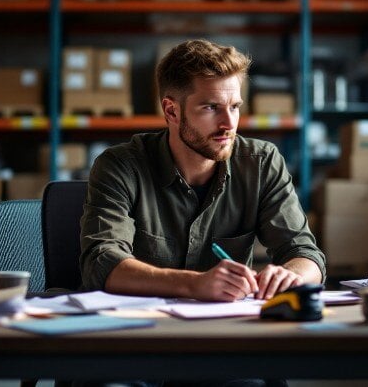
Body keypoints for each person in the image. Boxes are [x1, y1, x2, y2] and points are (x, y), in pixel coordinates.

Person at [80, 39, 326, 303]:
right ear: (171, 111)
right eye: (211, 108)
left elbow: (305, 254)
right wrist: (193, 284)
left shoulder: (262, 163)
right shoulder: (120, 165)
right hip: (144, 330)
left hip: (227, 327)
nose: (229, 124)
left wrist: (290, 275)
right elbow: (101, 262)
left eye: (235, 107)